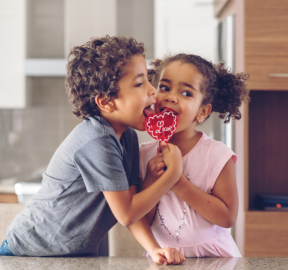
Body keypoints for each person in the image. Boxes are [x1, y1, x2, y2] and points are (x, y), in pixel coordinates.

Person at [0, 36, 185, 265]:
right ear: (106, 103)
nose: (152, 91)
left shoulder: (127, 137)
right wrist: (173, 175)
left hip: (73, 256)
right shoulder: (97, 141)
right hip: (30, 253)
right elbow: (126, 212)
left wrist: (154, 248)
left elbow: (131, 209)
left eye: (148, 80)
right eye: (139, 84)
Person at [140, 53, 249, 257]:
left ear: (202, 112)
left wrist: (177, 181)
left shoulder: (216, 154)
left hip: (214, 258)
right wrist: (150, 180)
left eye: (186, 93)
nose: (171, 96)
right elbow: (142, 220)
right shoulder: (144, 154)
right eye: (164, 87)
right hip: (164, 255)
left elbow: (227, 218)